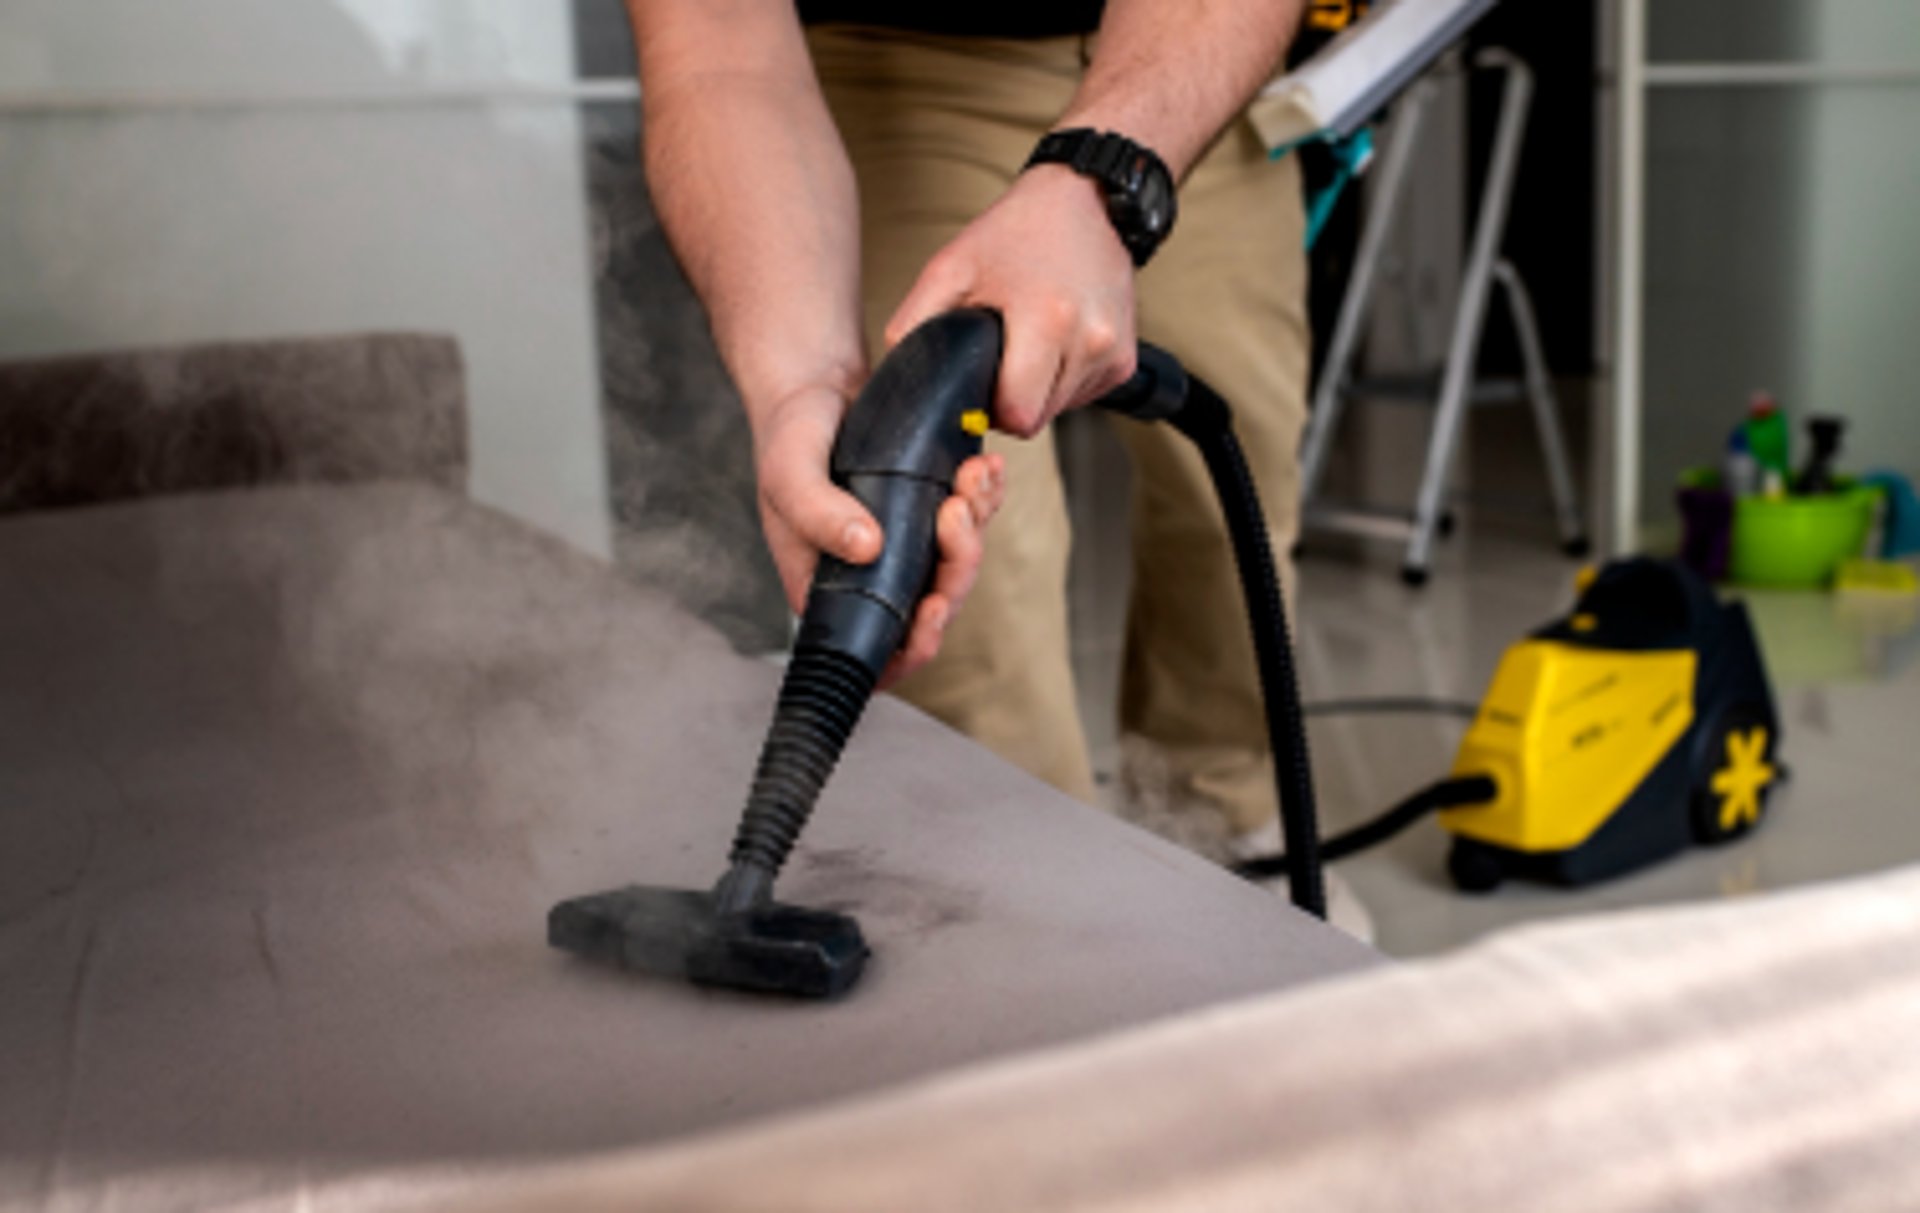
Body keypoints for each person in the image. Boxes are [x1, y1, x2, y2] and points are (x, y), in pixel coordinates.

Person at [625, 0, 1324, 864]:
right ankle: (1047, 914)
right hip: (898, 69)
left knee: (1230, 501)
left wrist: (1097, 172)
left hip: (1198, 49)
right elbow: (720, 46)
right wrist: (799, 387)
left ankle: (1227, 833)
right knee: (965, 589)